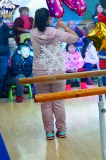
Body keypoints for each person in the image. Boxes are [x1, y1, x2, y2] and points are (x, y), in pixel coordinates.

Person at [30, 8, 79, 140]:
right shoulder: (56, 32)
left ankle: (49, 132)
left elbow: (43, 32)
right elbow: (75, 37)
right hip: (58, 73)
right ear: (48, 19)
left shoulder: (32, 34)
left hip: (40, 74)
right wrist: (64, 26)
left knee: (45, 104)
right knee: (59, 103)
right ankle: (61, 130)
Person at [0, 17, 11, 100]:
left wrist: (7, 54)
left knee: (2, 75)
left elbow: (6, 38)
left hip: (4, 54)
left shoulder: (4, 26)